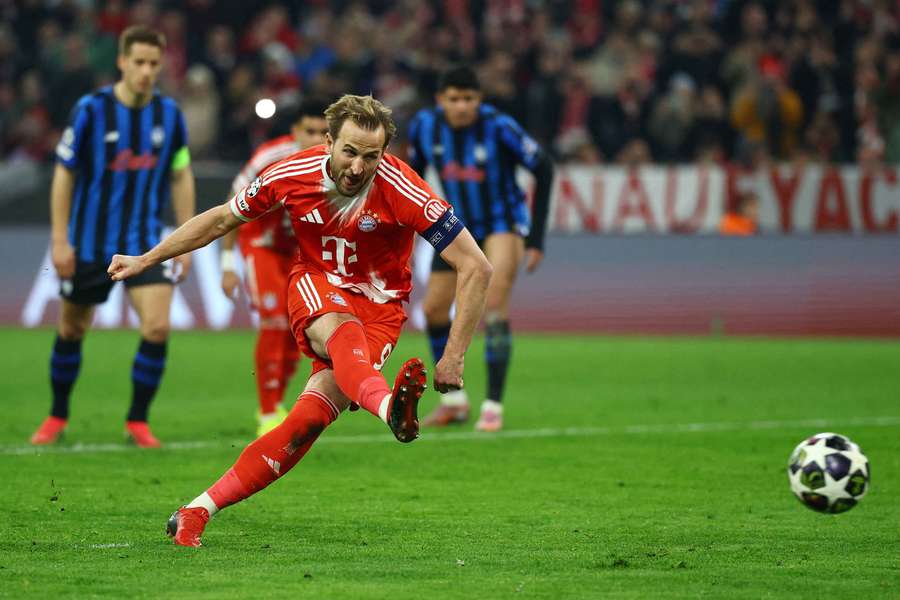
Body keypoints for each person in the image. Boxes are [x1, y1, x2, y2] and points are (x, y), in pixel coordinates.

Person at [107, 94, 492, 546]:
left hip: (383, 309)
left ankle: (196, 510)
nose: (357, 167)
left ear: (384, 153)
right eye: (348, 151)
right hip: (316, 284)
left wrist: (455, 356)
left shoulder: (403, 187)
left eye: (371, 156)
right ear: (328, 141)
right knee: (341, 329)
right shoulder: (290, 174)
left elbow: (476, 266)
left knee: (306, 422)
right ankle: (391, 409)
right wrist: (147, 259)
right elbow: (219, 221)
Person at [30, 25, 195, 448]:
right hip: (88, 243)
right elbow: (64, 174)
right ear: (121, 61)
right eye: (138, 62)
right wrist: (60, 239)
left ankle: (138, 421)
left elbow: (180, 173)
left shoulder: (169, 116)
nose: (145, 71)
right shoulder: (91, 109)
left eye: (153, 64)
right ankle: (57, 414)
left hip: (143, 245)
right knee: (71, 330)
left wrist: (185, 235)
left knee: (157, 328)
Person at [407, 66, 554, 432]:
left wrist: (535, 239)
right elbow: (413, 176)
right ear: (441, 99)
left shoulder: (500, 127)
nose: (461, 106)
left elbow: (545, 168)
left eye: (468, 99)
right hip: (456, 226)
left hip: (503, 223)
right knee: (434, 309)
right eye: (454, 99)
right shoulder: (424, 126)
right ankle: (454, 403)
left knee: (493, 306)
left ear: (479, 100)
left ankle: (492, 406)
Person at [219, 97, 330, 436]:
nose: (315, 139)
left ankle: (277, 401)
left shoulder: (338, 163)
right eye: (308, 131)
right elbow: (232, 203)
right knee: (274, 320)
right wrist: (227, 262)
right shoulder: (270, 157)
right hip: (262, 245)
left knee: (301, 332)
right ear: (295, 130)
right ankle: (267, 412)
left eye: (323, 132)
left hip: (302, 253)